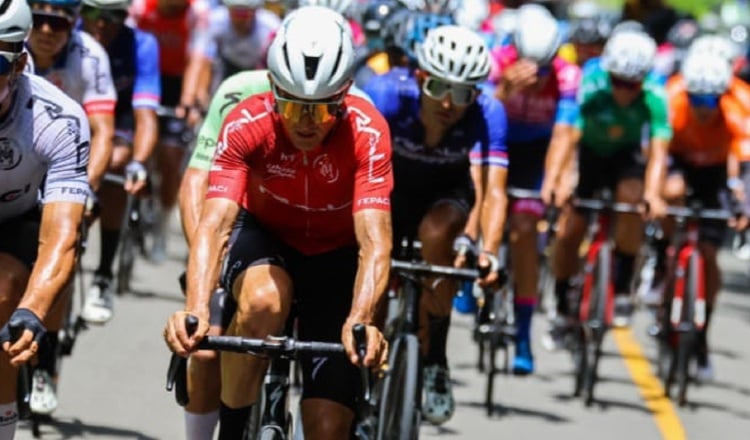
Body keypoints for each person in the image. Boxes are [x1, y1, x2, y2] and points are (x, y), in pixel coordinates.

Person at [164, 7, 392, 438]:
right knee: (264, 303)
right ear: (272, 90)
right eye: (291, 107)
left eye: (322, 111)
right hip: (266, 241)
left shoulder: (369, 130)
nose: (305, 123)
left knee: (327, 427)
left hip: (335, 256)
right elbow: (214, 225)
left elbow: (375, 241)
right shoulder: (246, 120)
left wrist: (361, 317)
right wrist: (196, 306)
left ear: (344, 96)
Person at [364, 24, 508, 424]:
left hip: (446, 197)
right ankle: (359, 382)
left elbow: (494, 191)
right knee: (371, 292)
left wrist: (490, 252)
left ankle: (435, 358)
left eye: (463, 93)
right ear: (420, 78)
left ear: (476, 95)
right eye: (438, 88)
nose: (449, 103)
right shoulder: (385, 95)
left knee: (437, 237)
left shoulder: (488, 113)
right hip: (389, 193)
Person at [0, 0, 91, 437]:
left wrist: (32, 312)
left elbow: (62, 237)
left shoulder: (58, 119)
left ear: (19, 65)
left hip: (17, 221)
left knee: (2, 299)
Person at [543, 30, 672, 338]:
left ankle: (625, 282)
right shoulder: (590, 81)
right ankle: (561, 303)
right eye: (618, 82)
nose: (624, 92)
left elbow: (658, 151)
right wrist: (556, 180)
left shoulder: (655, 92)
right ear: (609, 73)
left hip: (624, 157)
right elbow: (566, 135)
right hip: (588, 153)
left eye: (632, 85)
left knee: (632, 200)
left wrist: (653, 194)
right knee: (570, 227)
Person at [492, 5, 581, 374]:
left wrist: (556, 180)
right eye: (532, 66)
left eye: (544, 67)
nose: (538, 75)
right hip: (497, 139)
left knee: (526, 233)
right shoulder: (497, 59)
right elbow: (478, 116)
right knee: (480, 204)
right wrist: (504, 88)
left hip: (535, 152)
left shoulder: (568, 75)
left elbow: (564, 133)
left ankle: (524, 333)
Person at [658, 52, 750, 380]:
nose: (702, 107)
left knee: (709, 256)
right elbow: (655, 152)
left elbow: (746, 165)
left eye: (710, 100)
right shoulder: (671, 98)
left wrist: (745, 207)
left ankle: (702, 335)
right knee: (670, 192)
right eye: (696, 98)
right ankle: (663, 256)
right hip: (679, 164)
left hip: (715, 173)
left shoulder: (739, 106)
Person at [78, 0, 161, 324]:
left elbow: (146, 116)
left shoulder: (141, 45)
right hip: (74, 118)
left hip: (118, 123)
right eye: (93, 13)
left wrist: (139, 163)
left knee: (117, 162)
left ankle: (103, 274)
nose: (102, 23)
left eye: (114, 15)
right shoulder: (64, 35)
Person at [129, 0, 211, 262]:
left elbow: (197, 60)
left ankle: (162, 227)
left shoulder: (196, 13)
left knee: (171, 156)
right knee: (139, 146)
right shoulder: (142, 8)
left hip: (177, 84)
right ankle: (139, 201)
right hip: (143, 76)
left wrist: (188, 102)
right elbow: (129, 45)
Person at [26, 0, 116, 193]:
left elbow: (102, 131)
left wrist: (85, 189)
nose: (46, 30)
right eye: (37, 19)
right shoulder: (10, 47)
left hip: (66, 149)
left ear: (74, 22)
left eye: (58, 23)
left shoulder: (91, 56)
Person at [181, 0, 279, 112]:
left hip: (257, 68)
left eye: (244, 14)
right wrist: (193, 95)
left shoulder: (270, 26)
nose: (239, 19)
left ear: (255, 11)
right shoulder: (215, 20)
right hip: (226, 66)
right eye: (235, 12)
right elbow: (200, 59)